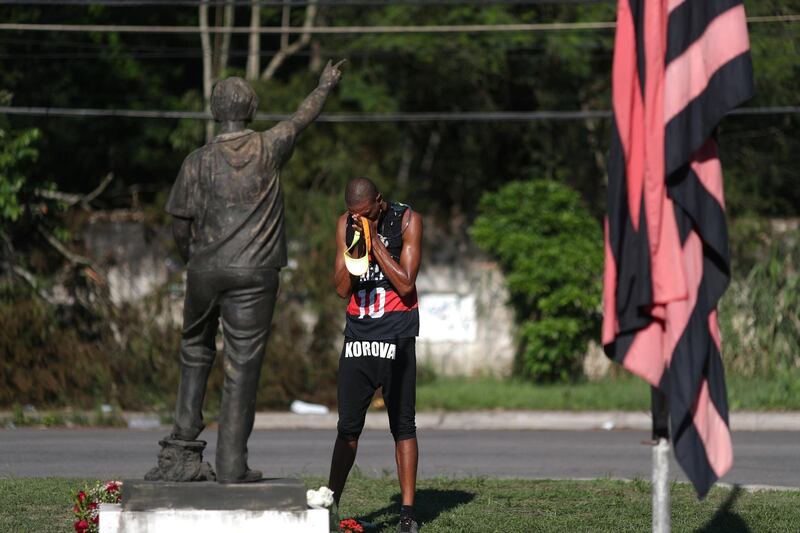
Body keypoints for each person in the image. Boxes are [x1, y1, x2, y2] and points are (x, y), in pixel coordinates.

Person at [161, 61, 343, 484]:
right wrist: (324, 85)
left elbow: (179, 223)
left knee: (194, 351)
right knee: (241, 366)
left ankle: (181, 453)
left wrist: (196, 259)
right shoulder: (268, 146)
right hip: (255, 272)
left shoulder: (196, 161)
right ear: (253, 110)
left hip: (204, 270)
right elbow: (303, 117)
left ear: (213, 111)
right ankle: (230, 464)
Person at [328, 177, 423, 533]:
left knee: (403, 426)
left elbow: (405, 282)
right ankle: (330, 505)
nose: (358, 220)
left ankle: (408, 513)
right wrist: (357, 246)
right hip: (359, 337)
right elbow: (340, 289)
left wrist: (376, 244)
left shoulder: (408, 220)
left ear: (379, 203)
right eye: (354, 216)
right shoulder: (346, 224)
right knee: (347, 428)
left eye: (365, 214)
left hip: (397, 336)